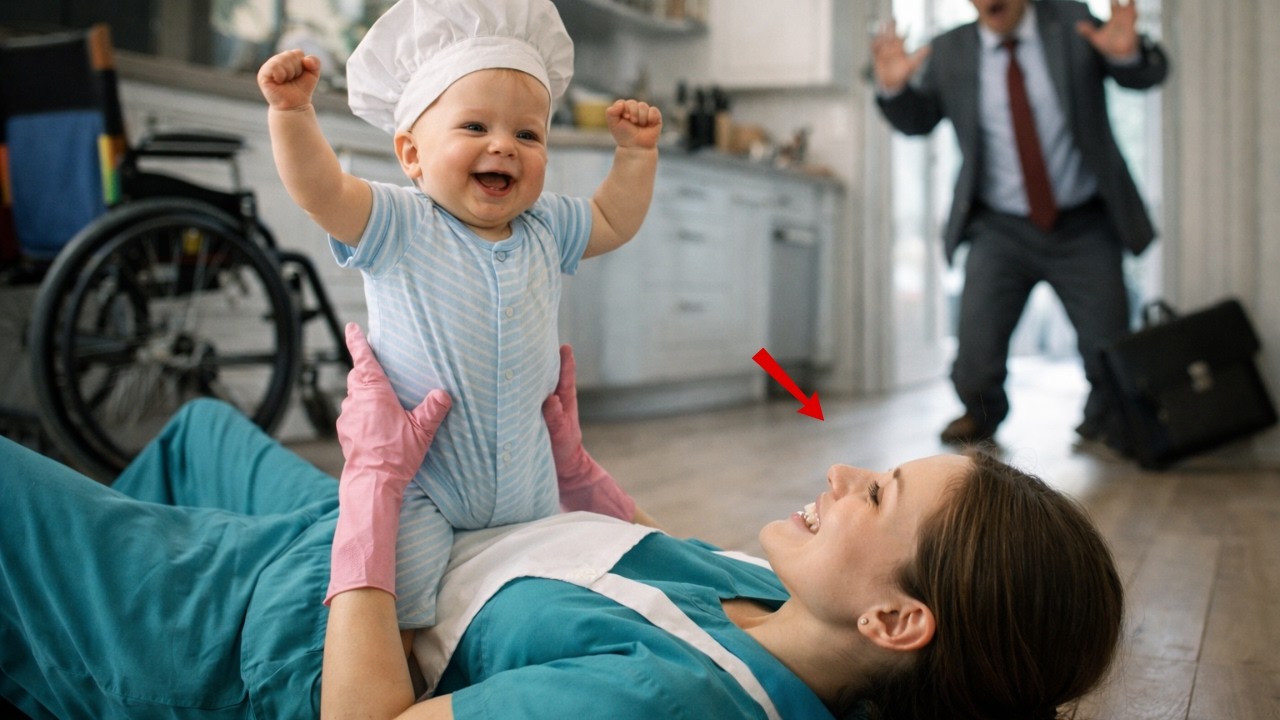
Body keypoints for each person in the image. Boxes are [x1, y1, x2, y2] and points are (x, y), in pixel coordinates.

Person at [1, 325, 1124, 720]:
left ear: (893, 620)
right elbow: (635, 577)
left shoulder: (665, 704)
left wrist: (372, 490)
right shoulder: (786, 612)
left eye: (877, 496)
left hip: (281, 641)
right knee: (198, 433)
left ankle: (109, 657)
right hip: (397, 563)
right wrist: (577, 474)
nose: (840, 471)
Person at [256, 0, 663, 628]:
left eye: (528, 134)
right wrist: (293, 115)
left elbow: (612, 219)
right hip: (425, 480)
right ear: (413, 155)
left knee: (541, 586)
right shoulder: (399, 222)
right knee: (410, 605)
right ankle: (407, 666)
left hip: (528, 479)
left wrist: (635, 158)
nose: (504, 145)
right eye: (475, 127)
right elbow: (323, 191)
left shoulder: (546, 224)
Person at [871, 0, 1169, 450]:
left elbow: (1143, 76)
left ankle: (1103, 414)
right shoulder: (950, 51)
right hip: (1000, 227)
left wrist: (1126, 54)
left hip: (1083, 221)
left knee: (1108, 348)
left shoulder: (1072, 23)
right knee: (974, 354)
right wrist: (894, 91)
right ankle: (980, 412)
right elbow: (919, 120)